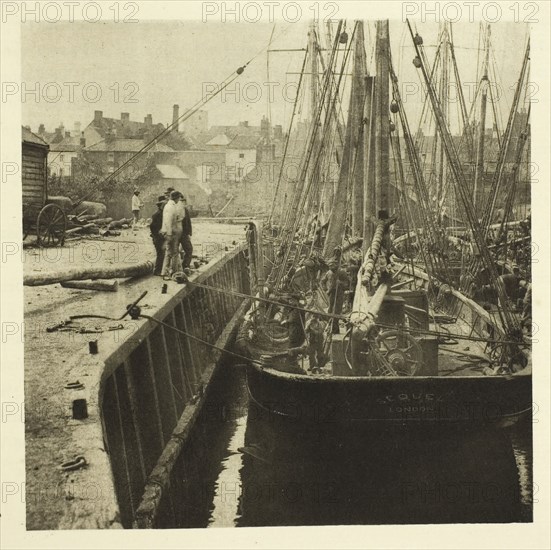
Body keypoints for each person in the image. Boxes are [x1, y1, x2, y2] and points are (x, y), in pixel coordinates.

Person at [160, 190, 183, 278]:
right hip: (170, 233)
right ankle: (173, 272)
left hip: (170, 232)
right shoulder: (170, 207)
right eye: (178, 198)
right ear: (176, 198)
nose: (179, 200)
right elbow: (168, 221)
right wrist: (169, 234)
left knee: (169, 253)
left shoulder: (170, 205)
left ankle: (165, 272)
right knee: (174, 253)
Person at [150, 195, 166, 276]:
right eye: (163, 205)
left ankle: (159, 269)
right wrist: (158, 234)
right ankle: (157, 271)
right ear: (160, 206)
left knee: (162, 253)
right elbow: (152, 227)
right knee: (160, 254)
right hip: (157, 237)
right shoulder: (156, 215)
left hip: (160, 237)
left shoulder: (163, 214)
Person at [179, 194, 194, 269]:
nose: (183, 203)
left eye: (183, 201)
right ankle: (185, 265)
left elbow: (188, 222)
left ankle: (184, 265)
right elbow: (186, 223)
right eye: (181, 201)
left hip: (183, 233)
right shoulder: (181, 210)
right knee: (189, 249)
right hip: (182, 233)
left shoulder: (184, 209)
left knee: (186, 250)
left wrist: (189, 232)